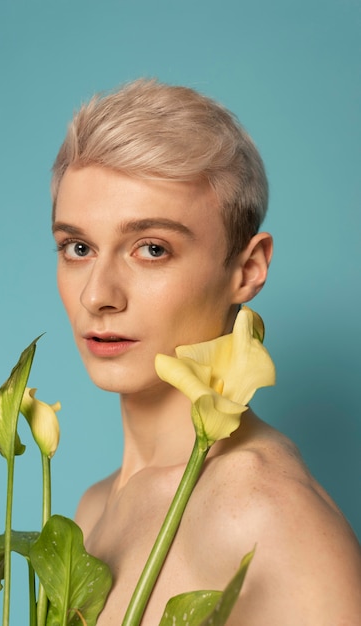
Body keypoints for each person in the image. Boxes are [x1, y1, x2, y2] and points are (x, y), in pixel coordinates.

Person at [51, 79, 361, 625]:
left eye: (152, 249)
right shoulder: (93, 507)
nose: (96, 295)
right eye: (78, 248)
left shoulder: (268, 516)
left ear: (248, 269)